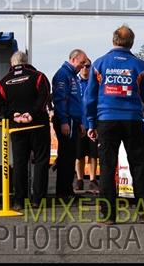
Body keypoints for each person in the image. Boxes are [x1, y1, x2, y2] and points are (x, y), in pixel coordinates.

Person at [84, 25, 144, 224]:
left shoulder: (99, 63)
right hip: (132, 120)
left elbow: (89, 97)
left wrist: (91, 123)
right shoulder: (140, 65)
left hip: (106, 121)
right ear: (132, 42)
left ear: (113, 40)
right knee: (138, 166)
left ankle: (108, 216)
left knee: (107, 167)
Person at [0, 51, 51, 210]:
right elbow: (45, 96)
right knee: (40, 162)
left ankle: (19, 200)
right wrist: (31, 113)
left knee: (19, 163)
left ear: (12, 64)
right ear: (26, 61)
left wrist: (13, 115)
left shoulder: (2, 82)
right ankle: (37, 200)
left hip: (17, 127)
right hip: (38, 125)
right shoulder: (38, 76)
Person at [51, 48, 89, 200]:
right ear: (73, 60)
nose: (83, 66)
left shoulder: (72, 76)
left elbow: (75, 101)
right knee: (65, 157)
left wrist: (79, 122)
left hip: (73, 121)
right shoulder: (62, 75)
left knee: (70, 157)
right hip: (66, 121)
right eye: (81, 62)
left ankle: (68, 190)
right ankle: (62, 192)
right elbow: (60, 100)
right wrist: (64, 122)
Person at [74, 59, 99, 192]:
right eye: (82, 66)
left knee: (93, 154)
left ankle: (93, 179)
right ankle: (79, 179)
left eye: (88, 66)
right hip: (79, 124)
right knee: (79, 155)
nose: (85, 68)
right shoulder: (75, 82)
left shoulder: (94, 83)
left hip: (92, 124)